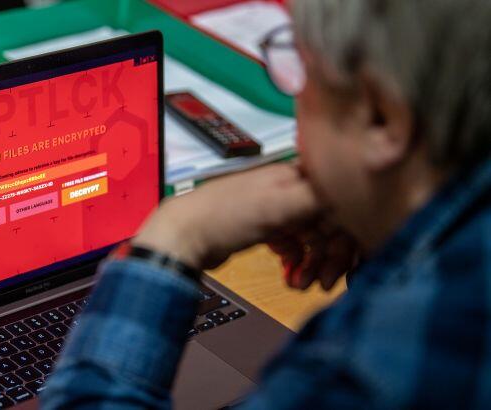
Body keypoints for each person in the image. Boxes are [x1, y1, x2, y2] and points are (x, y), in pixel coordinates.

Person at [42, 0, 491, 408]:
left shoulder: (365, 369)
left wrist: (172, 238)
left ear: (381, 117)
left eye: (305, 73)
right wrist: (379, 229)